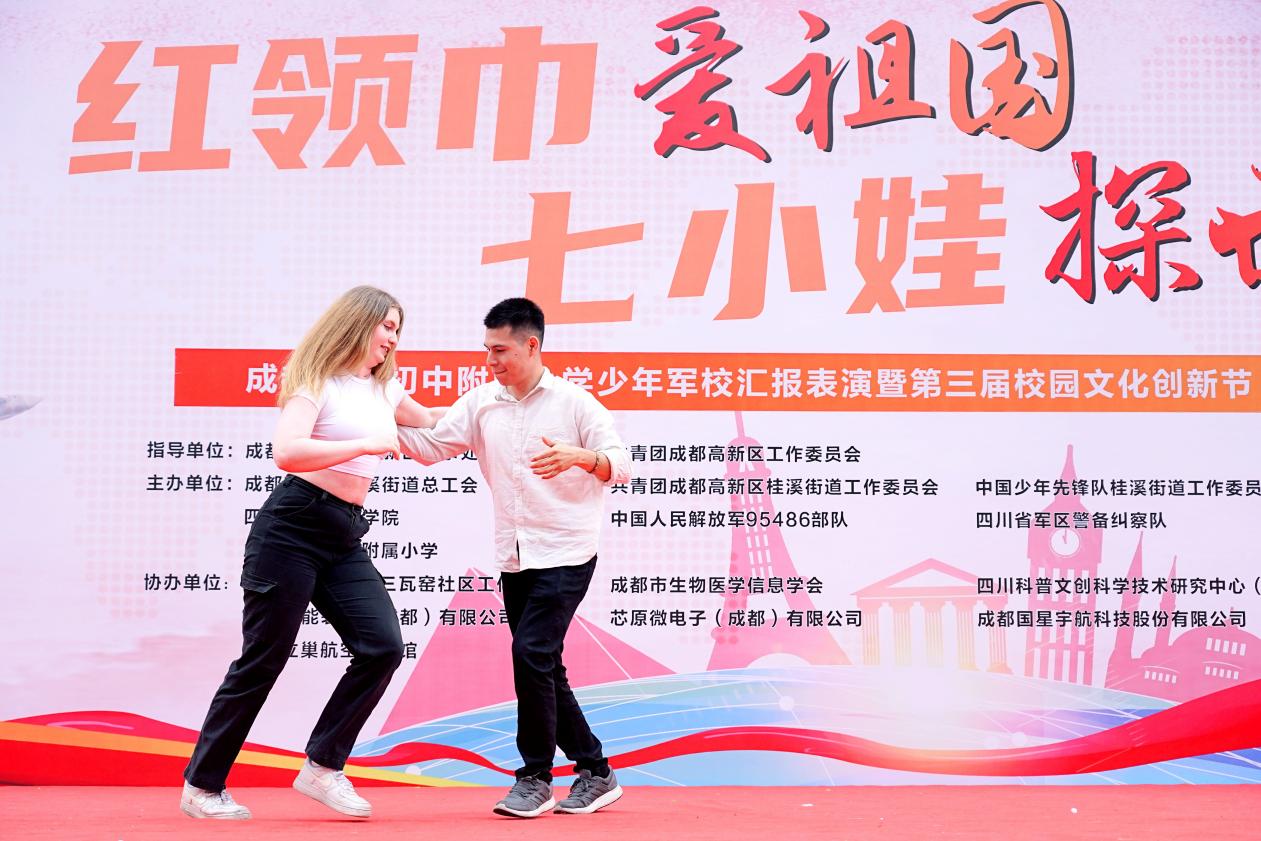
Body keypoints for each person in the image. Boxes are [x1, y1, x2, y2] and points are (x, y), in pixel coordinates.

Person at [180, 286, 443, 820]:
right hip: (292, 529)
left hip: (343, 535)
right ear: (359, 323)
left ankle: (323, 767)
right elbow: (288, 451)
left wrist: (496, 411)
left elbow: (438, 425)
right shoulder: (316, 381)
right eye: (386, 326)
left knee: (382, 646)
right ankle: (201, 787)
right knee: (264, 658)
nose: (393, 339)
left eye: (398, 330)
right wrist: (363, 445)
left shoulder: (386, 391)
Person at [397, 297, 629, 818]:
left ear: (532, 345)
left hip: (567, 550)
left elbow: (621, 464)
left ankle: (535, 778)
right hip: (515, 555)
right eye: (487, 350)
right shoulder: (482, 403)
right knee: (543, 663)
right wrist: (372, 426)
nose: (491, 360)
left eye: (500, 350)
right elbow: (432, 447)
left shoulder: (575, 403)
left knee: (530, 654)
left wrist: (582, 457)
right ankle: (596, 771)